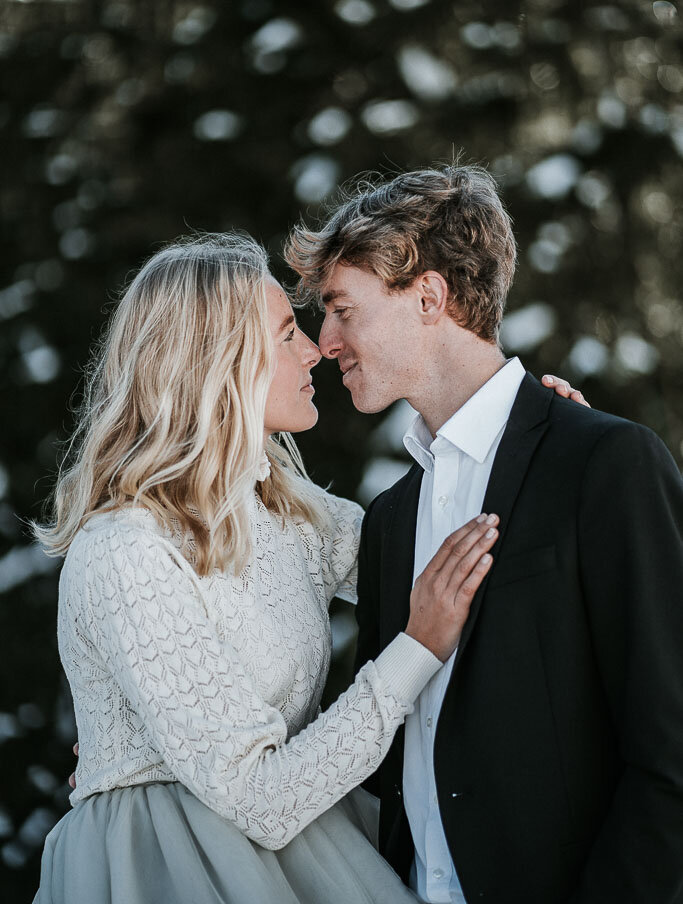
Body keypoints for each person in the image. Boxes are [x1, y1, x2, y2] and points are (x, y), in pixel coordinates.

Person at [32, 232, 521, 904]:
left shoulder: (293, 516)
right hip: (162, 867)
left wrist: (534, 444)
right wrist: (417, 649)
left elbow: (451, 559)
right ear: (217, 364)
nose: (316, 349)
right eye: (288, 331)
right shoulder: (125, 549)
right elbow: (259, 797)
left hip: (305, 850)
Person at [284, 163, 683, 904]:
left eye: (341, 309)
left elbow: (669, 752)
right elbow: (378, 755)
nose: (324, 341)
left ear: (428, 296)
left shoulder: (602, 463)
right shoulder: (390, 519)